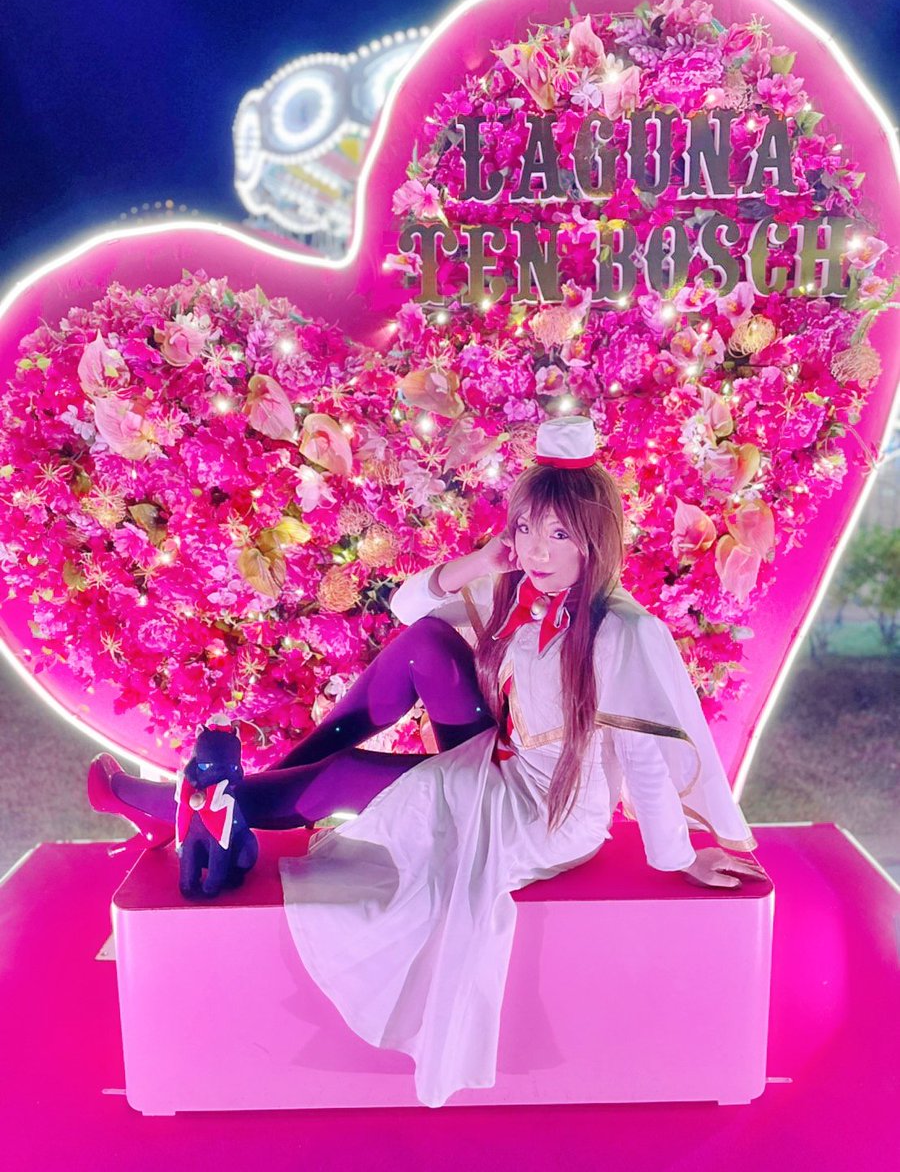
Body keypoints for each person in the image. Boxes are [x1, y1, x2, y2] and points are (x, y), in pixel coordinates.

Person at [90, 414, 763, 1108]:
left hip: (546, 815)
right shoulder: (520, 590)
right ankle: (235, 801)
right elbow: (409, 606)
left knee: (348, 778)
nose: (538, 548)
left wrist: (679, 857)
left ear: (596, 538)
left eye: (560, 534)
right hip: (497, 760)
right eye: (527, 528)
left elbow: (646, 758)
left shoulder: (622, 631)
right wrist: (485, 562)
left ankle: (204, 806)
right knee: (423, 647)